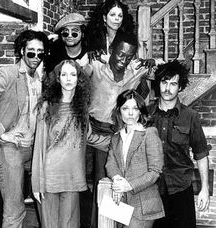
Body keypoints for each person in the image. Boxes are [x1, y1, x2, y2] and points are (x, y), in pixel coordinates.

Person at [83, 31, 157, 228]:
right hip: (94, 133)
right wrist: (85, 57)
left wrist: (152, 61)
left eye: (129, 56)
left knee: (122, 186)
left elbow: (167, 75)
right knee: (101, 186)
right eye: (120, 54)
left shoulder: (136, 70)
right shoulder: (97, 66)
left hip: (120, 135)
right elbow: (70, 75)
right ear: (111, 50)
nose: (123, 61)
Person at [0, 29, 49, 228]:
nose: (36, 57)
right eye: (31, 52)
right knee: (14, 208)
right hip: (11, 149)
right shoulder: (8, 73)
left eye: (40, 53)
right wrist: (1, 133)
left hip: (32, 147)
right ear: (21, 51)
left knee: (46, 195)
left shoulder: (39, 78)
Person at [31, 60, 110, 228]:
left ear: (78, 79)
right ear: (58, 78)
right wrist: (36, 184)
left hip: (72, 177)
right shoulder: (47, 107)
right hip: (49, 177)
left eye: (73, 74)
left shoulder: (82, 108)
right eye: (64, 74)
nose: (68, 78)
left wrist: (116, 142)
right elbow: (38, 147)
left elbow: (88, 137)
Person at [148, 60, 210, 228]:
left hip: (181, 189)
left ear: (180, 87)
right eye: (164, 82)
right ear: (158, 84)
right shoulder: (146, 114)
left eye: (173, 83)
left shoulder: (191, 116)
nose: (167, 88)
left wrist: (205, 189)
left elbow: (201, 154)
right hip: (151, 190)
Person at [106, 89, 165, 228]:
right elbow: (110, 164)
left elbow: (155, 172)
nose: (130, 113)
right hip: (121, 204)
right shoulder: (115, 137)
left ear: (141, 111)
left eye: (135, 108)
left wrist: (129, 185)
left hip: (144, 205)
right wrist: (117, 180)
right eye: (125, 108)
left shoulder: (149, 133)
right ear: (119, 111)